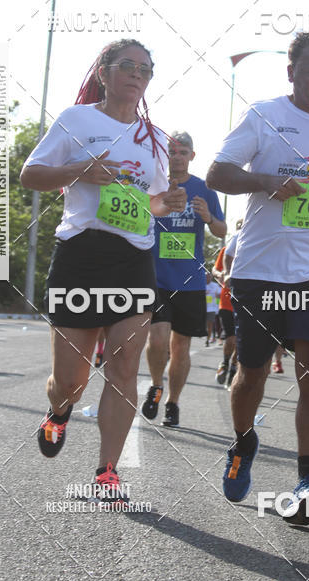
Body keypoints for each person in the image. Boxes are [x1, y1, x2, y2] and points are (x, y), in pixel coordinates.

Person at [207, 30, 309, 526]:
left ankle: (308, 480)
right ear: (292, 73)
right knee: (252, 371)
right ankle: (243, 442)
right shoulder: (265, 115)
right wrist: (266, 181)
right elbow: (218, 175)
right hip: (260, 271)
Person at [20, 39, 186, 497]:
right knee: (70, 381)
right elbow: (30, 175)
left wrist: (166, 204)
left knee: (123, 367)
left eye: (146, 70)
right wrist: (78, 170)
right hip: (80, 255)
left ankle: (106, 471)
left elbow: (148, 203)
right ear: (104, 72)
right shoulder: (78, 120)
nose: (137, 75)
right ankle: (59, 410)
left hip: (132, 259)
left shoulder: (154, 139)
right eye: (128, 66)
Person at [141, 132, 226, 427]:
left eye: (183, 151)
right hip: (157, 276)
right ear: (165, 155)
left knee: (181, 347)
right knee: (158, 337)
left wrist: (208, 217)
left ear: (192, 155)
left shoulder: (205, 189)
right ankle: (155, 383)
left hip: (189, 280)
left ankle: (173, 402)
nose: (177, 156)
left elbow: (221, 231)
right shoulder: (153, 185)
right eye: (172, 151)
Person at [213, 221, 242, 388]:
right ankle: (225, 363)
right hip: (227, 302)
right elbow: (215, 270)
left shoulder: (254, 250)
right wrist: (223, 274)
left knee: (240, 342)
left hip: (245, 303)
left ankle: (233, 368)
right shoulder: (226, 252)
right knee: (231, 339)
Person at [205, 272, 221, 346]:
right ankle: (209, 337)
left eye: (209, 276)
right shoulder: (201, 285)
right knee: (204, 326)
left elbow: (220, 295)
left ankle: (207, 340)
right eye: (206, 276)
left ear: (211, 277)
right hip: (202, 309)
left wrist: (217, 295)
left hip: (211, 309)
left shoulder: (215, 286)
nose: (207, 278)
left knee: (210, 325)